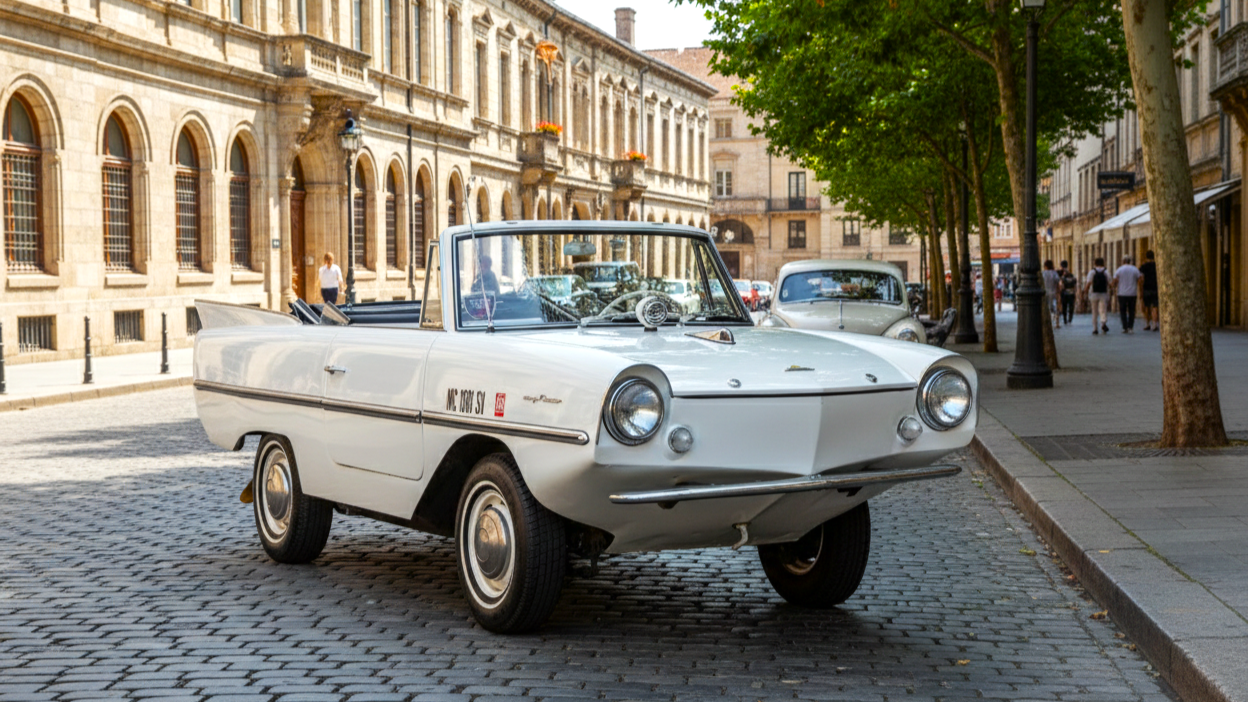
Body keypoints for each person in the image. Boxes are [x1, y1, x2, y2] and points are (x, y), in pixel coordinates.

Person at [1113, 255, 1143, 334]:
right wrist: (1140, 290)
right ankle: (1130, 327)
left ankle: (1124, 327)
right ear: (1130, 261)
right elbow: (1140, 280)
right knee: (1132, 310)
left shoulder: (1119, 269)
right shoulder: (1135, 269)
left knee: (1122, 310)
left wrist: (1113, 288)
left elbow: (1115, 280)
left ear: (1123, 261)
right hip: (1132, 293)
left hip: (1122, 293)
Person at [1084, 257, 1111, 335]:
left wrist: (1085, 291)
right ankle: (1103, 323)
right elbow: (1110, 283)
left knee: (1094, 311)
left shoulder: (1092, 272)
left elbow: (1088, 283)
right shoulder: (1106, 271)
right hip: (1103, 293)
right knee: (1103, 310)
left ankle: (1095, 328)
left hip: (1094, 293)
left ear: (1095, 263)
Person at [1139, 250, 1159, 331]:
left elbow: (1141, 279)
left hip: (1146, 288)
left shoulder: (1143, 267)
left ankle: (1147, 324)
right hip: (1155, 288)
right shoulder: (1157, 266)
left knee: (1146, 307)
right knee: (1155, 307)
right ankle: (1154, 324)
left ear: (1146, 257)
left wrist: (1140, 290)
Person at [1042, 260, 1060, 327]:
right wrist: (1058, 292)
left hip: (1045, 293)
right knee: (1054, 307)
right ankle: (1057, 323)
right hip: (1053, 292)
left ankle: (1046, 322)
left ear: (1045, 266)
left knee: (1046, 308)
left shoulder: (1043, 273)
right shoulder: (1054, 273)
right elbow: (1057, 283)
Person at [1058, 260, 1077, 326]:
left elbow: (1061, 285)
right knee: (1071, 306)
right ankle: (1070, 319)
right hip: (1071, 293)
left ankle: (1065, 319)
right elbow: (1075, 284)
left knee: (1064, 306)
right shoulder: (1072, 275)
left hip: (1064, 293)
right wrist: (1075, 292)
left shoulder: (1061, 275)